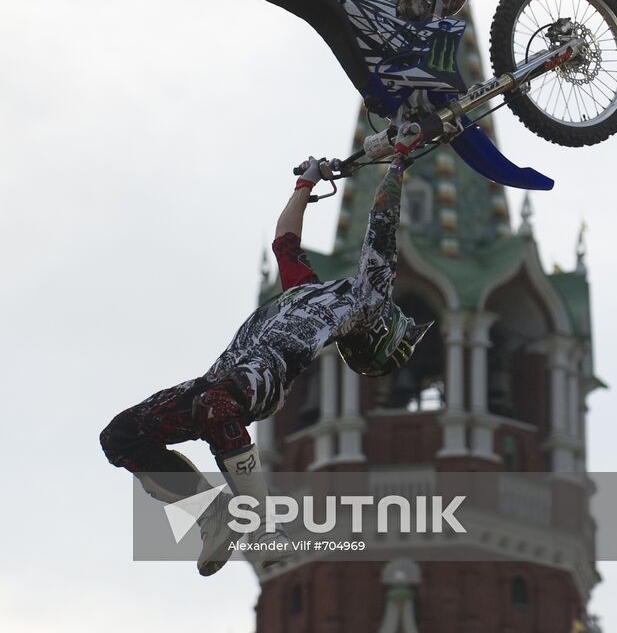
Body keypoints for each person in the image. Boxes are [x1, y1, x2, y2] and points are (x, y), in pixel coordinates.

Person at [100, 122, 431, 575]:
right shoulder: (308, 291)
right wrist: (305, 184)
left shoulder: (368, 298)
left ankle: (261, 522)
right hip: (221, 378)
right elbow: (285, 242)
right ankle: (212, 513)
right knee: (122, 435)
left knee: (217, 406)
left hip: (263, 377)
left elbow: (382, 222)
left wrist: (399, 161)